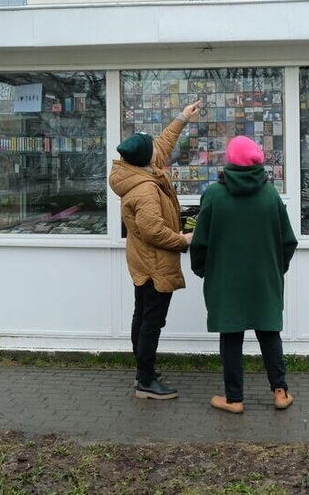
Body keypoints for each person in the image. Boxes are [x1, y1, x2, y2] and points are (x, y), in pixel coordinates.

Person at [190, 136, 298, 414]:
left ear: (230, 160)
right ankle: (280, 391)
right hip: (264, 279)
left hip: (226, 279)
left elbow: (200, 241)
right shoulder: (270, 194)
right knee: (269, 331)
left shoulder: (214, 194)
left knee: (231, 335)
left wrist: (203, 269)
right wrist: (277, 269)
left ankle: (234, 398)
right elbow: (288, 241)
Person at [109, 98, 202, 400]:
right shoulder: (146, 189)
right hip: (154, 263)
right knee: (152, 320)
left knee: (143, 314)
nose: (157, 152)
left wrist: (181, 118)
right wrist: (182, 240)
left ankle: (142, 372)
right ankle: (145, 380)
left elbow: (161, 145)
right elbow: (152, 230)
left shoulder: (137, 171)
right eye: (152, 151)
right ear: (146, 160)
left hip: (142, 262)